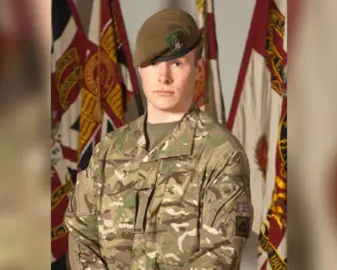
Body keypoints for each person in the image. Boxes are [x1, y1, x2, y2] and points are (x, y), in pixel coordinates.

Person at [65, 8, 253, 270]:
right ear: (140, 69)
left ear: (198, 69)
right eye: (153, 63)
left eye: (177, 63)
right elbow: (81, 235)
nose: (163, 77)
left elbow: (220, 252)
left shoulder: (222, 155)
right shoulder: (108, 151)